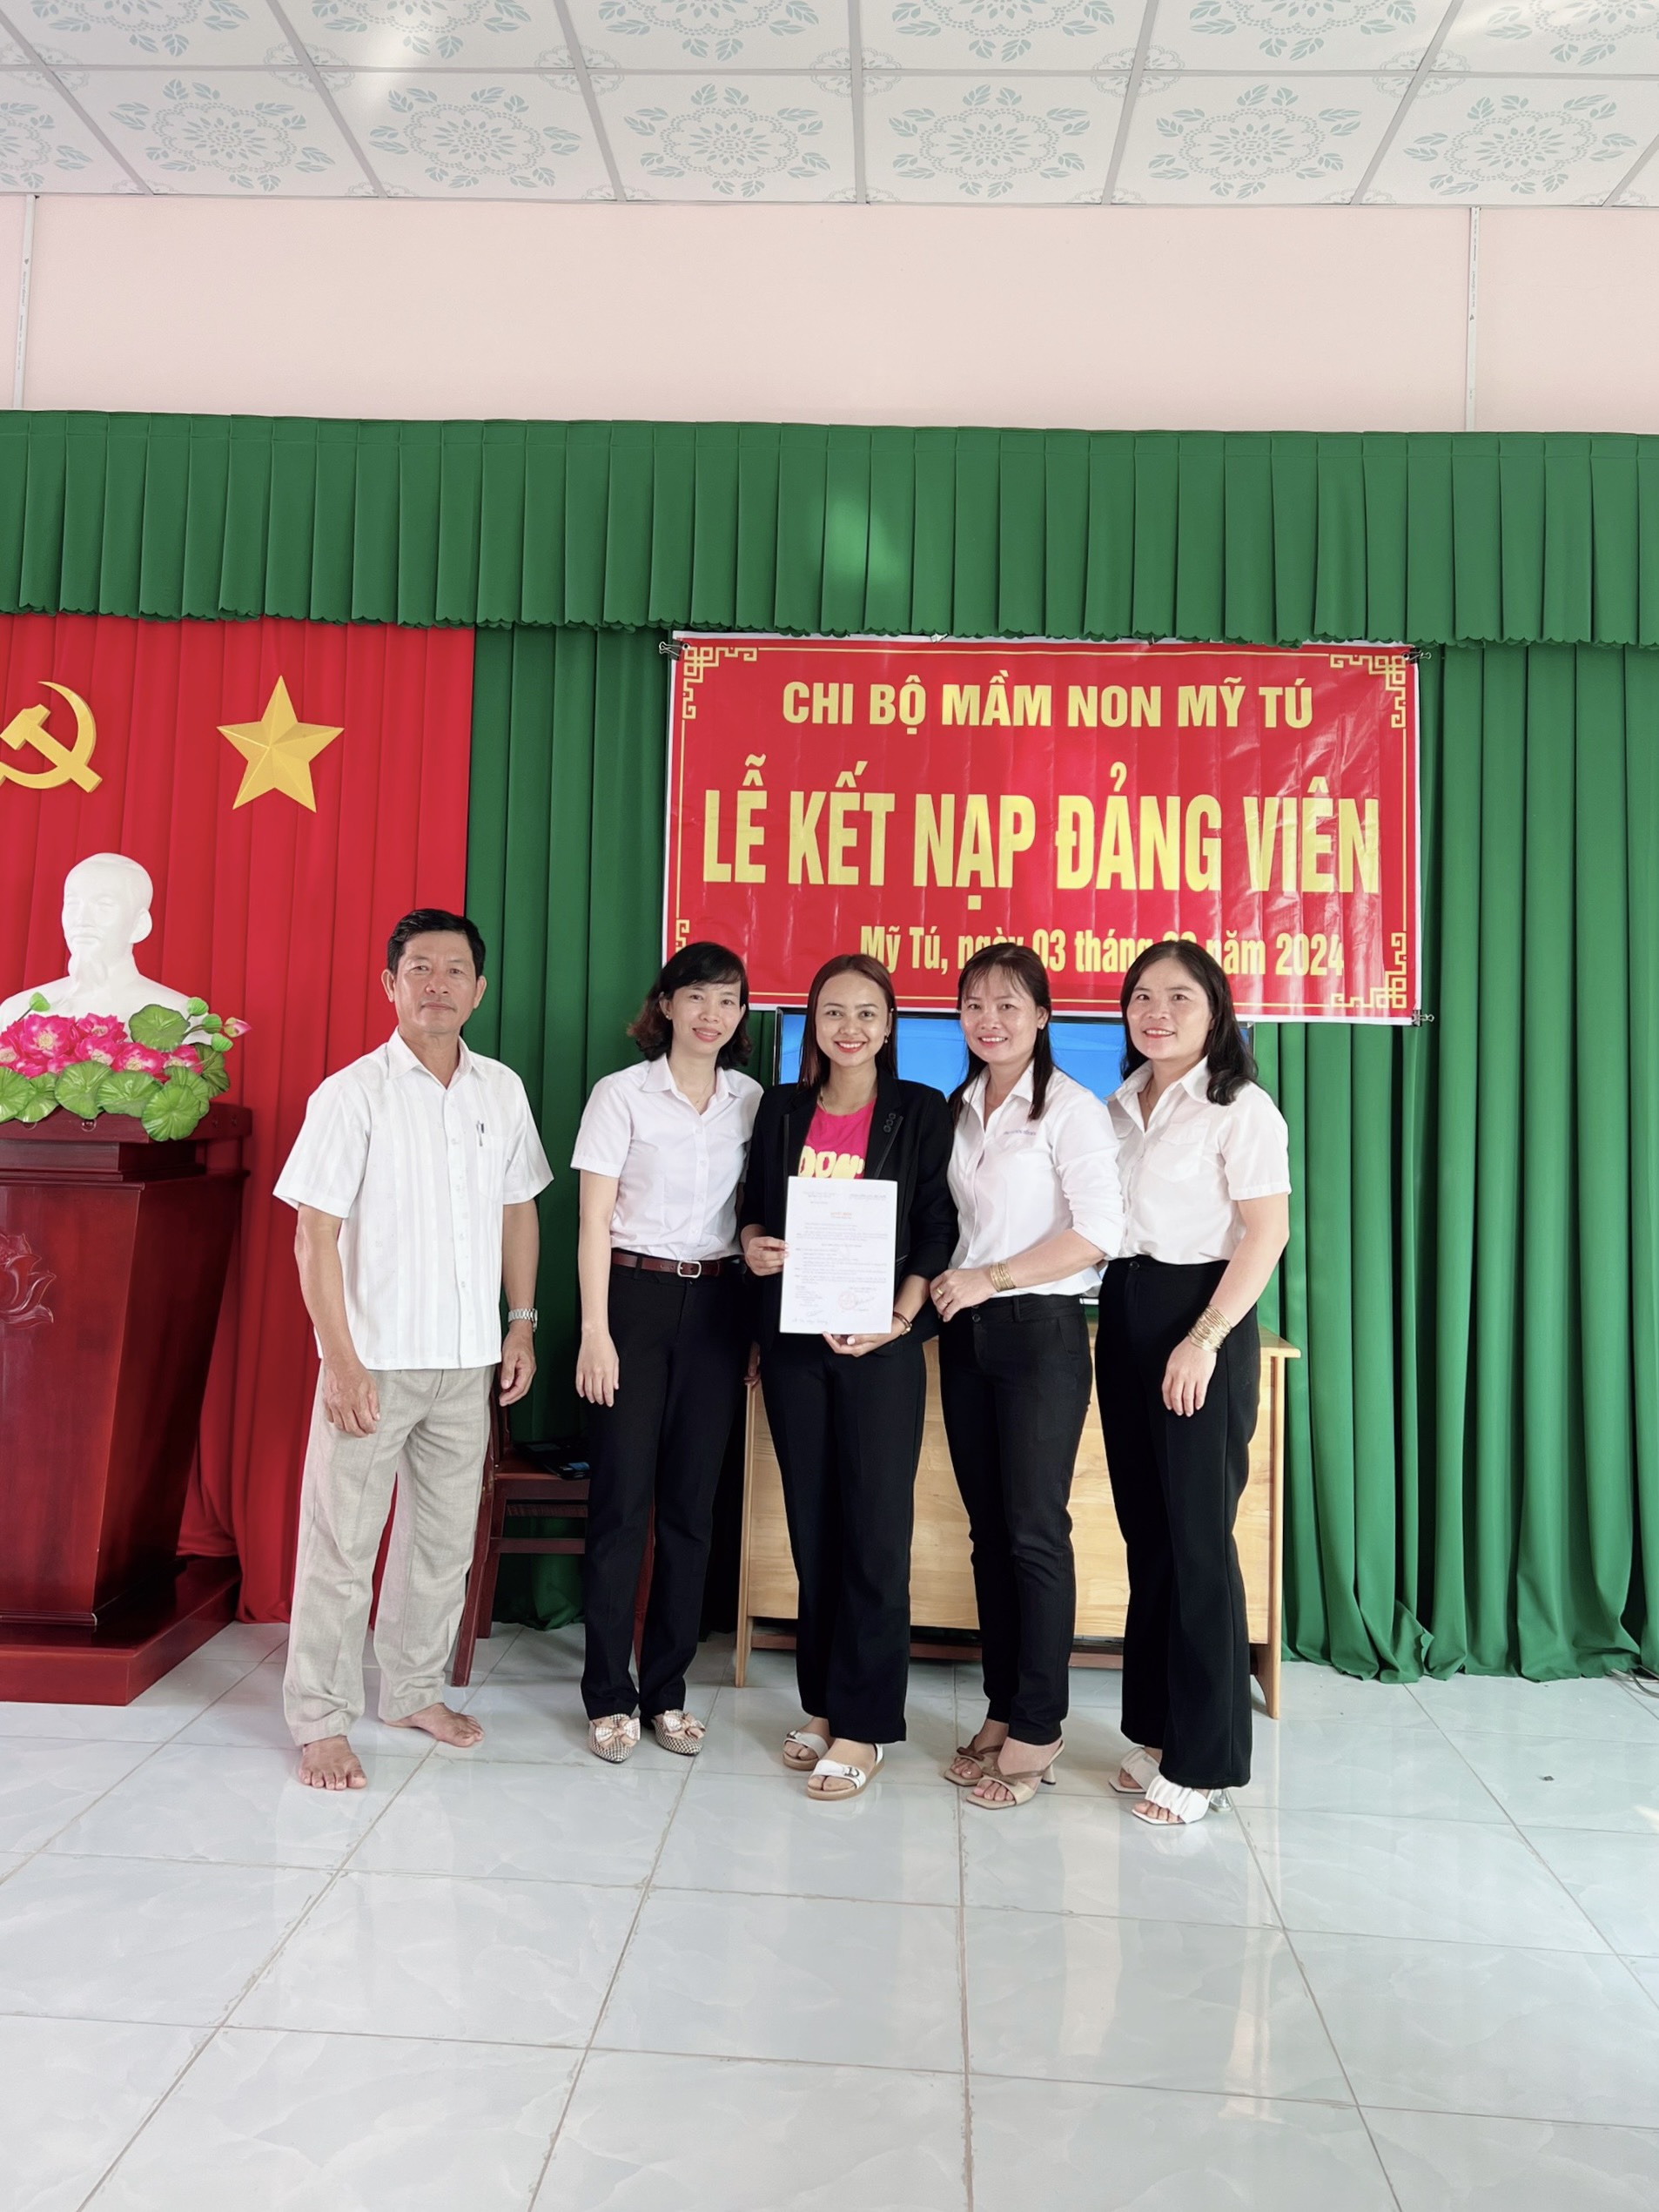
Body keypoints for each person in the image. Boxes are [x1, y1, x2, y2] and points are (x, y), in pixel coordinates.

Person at [274, 908, 552, 1792]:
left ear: (481, 988)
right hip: (374, 1361)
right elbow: (314, 1235)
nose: (438, 984)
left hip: (467, 1361)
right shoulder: (351, 1094)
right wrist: (341, 1359)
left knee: (440, 1544)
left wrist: (521, 1321)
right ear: (390, 983)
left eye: (455, 969)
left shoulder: (500, 1090)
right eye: (420, 968)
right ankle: (320, 1721)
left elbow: (518, 1207)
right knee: (341, 1546)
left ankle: (410, 1690)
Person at [741, 954, 956, 1800]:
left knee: (872, 1532)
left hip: (881, 1350)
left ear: (890, 1023)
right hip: (795, 1348)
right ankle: (827, 1705)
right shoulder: (781, 1108)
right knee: (814, 1528)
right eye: (834, 1011)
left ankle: (865, 1725)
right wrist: (754, 1245)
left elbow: (936, 1226)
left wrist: (898, 1319)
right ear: (812, 1023)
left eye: (868, 1012)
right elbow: (753, 1211)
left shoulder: (920, 1109)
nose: (851, 1027)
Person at [1098, 940, 1290, 1827]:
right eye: (1142, 996)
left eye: (1179, 996)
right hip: (1125, 1306)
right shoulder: (1118, 1105)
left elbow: (1264, 1234)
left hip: (1200, 1313)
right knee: (1148, 1535)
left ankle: (1206, 1761)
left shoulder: (1239, 1107)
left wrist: (1204, 1338)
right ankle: (1156, 1731)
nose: (1157, 1012)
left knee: (1199, 1541)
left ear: (1215, 1010)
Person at [930, 943, 1122, 1811]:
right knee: (989, 1535)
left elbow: (1098, 1231)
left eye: (1008, 1004)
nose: (990, 1020)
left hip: (1040, 1333)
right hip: (966, 1335)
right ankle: (1003, 1708)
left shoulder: (1072, 1111)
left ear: (1042, 1016)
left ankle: (1039, 1727)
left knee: (1035, 1532)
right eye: (974, 1004)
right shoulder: (960, 1107)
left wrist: (993, 1277)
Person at [572, 941, 762, 1764]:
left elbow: (754, 1218)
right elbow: (591, 1221)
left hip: (718, 1303)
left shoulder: (752, 1101)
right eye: (697, 996)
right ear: (667, 1004)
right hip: (632, 1297)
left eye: (728, 1000)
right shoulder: (621, 1094)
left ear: (741, 1014)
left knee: (691, 1510)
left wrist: (753, 1330)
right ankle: (607, 1695)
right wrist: (595, 1331)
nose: (711, 1014)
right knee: (622, 1504)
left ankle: (667, 1693)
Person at [0, 852, 194, 1025]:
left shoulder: (181, 1017)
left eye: (104, 905)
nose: (81, 919)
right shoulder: (17, 1012)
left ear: (139, 925)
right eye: (73, 904)